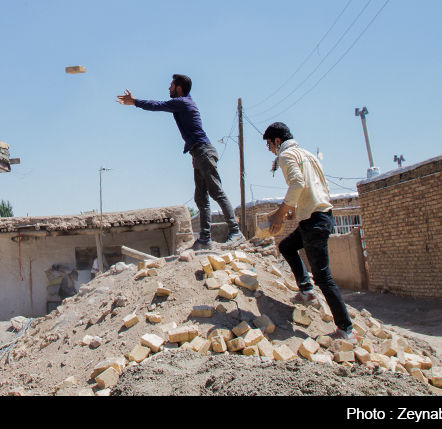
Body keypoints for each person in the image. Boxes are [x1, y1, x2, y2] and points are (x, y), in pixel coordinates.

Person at [117, 74, 243, 251]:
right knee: (201, 198)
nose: (168, 88)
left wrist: (135, 101)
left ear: (178, 88)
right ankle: (205, 239)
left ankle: (236, 232)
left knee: (216, 192)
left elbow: (157, 106)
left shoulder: (183, 102)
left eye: (171, 85)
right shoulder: (183, 103)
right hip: (198, 153)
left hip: (204, 152)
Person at [263, 122, 356, 343]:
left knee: (323, 276)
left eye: (269, 144)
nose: (269, 150)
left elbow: (297, 183)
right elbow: (313, 186)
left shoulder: (286, 156)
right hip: (319, 215)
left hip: (315, 221)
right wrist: (296, 209)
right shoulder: (307, 155)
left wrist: (279, 213)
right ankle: (306, 291)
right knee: (287, 246)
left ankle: (346, 330)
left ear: (278, 141)